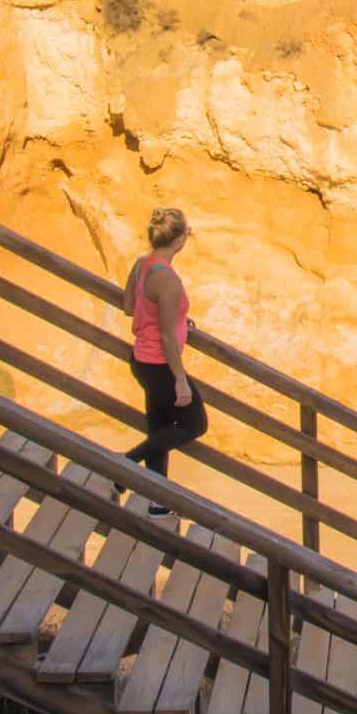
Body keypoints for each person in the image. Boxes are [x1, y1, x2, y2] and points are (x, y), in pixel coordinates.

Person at [120, 206, 208, 513]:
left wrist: (180, 318)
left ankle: (158, 502)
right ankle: (126, 464)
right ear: (180, 239)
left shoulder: (143, 264)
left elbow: (130, 306)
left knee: (159, 427)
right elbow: (169, 338)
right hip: (160, 365)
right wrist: (181, 380)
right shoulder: (168, 280)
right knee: (194, 423)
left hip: (141, 359)